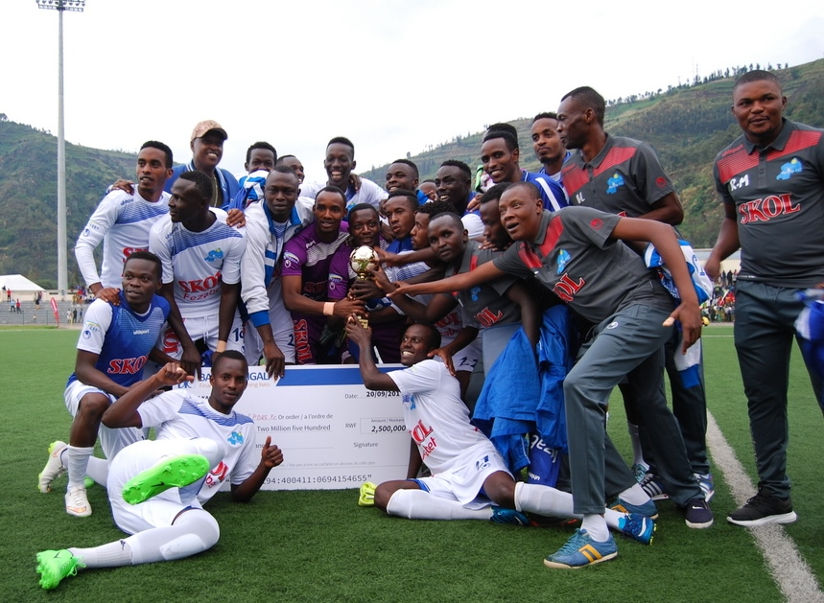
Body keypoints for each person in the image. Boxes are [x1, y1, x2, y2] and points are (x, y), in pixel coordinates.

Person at [394, 182, 711, 567]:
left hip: (643, 306)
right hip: (609, 323)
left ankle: (596, 531)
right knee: (635, 402)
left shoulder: (570, 221)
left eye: (517, 206)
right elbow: (462, 281)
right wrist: (402, 287)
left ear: (539, 206)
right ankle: (644, 496)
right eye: (503, 211)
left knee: (578, 387)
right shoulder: (522, 255)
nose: (509, 215)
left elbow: (659, 230)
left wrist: (690, 300)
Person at [348, 321, 654, 558]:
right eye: (405, 339)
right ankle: (493, 515)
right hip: (444, 475)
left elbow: (371, 380)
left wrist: (363, 341)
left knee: (505, 491)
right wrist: (409, 479)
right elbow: (417, 437)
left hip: (472, 456)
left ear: (430, 349)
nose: (406, 344)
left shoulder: (430, 369)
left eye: (415, 340)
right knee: (386, 494)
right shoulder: (411, 387)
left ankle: (613, 518)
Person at [556, 85, 713, 502]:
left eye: (564, 118)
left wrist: (619, 226)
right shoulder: (570, 172)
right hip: (619, 289)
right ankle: (660, 473)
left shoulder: (634, 152)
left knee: (683, 379)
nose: (559, 127)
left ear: (588, 115)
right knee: (644, 392)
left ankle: (698, 470)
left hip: (660, 279)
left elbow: (673, 212)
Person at [35, 352, 284, 591]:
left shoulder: (245, 427)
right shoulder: (180, 400)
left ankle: (74, 557)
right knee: (211, 449)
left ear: (246, 384)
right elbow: (111, 419)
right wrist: (155, 381)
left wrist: (264, 467)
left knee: (207, 530)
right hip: (137, 463)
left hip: (147, 504)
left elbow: (239, 493)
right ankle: (161, 474)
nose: (232, 385)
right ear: (211, 380)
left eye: (240, 380)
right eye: (225, 377)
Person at [704, 69, 824, 527]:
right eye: (746, 103)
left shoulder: (815, 143)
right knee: (763, 397)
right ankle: (775, 495)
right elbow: (735, 218)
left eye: (766, 99)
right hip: (753, 292)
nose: (757, 109)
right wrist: (714, 257)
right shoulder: (727, 162)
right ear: (734, 110)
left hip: (814, 292)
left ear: (783, 101)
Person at [37, 252, 173, 517]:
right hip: (90, 387)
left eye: (144, 278)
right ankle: (75, 487)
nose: (134, 283)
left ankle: (64, 456)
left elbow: (141, 346)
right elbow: (83, 369)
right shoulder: (105, 307)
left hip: (126, 395)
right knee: (94, 403)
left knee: (126, 474)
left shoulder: (161, 308)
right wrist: (127, 393)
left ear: (158, 284)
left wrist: (172, 361)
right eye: (129, 276)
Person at [149, 171, 247, 364]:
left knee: (232, 369)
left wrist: (221, 346)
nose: (171, 202)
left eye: (179, 198)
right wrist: (188, 346)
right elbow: (165, 293)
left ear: (202, 203)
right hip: (179, 312)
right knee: (175, 379)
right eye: (172, 195)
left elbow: (229, 292)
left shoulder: (232, 231)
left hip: (218, 312)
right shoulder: (161, 234)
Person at [75, 141, 174, 298]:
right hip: (116, 299)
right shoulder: (118, 199)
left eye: (154, 165)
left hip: (152, 303)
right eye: (141, 164)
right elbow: (84, 245)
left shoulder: (172, 206)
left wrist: (228, 215)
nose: (146, 170)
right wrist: (97, 289)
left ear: (169, 173)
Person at [241, 166, 313, 376]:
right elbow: (252, 287)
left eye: (287, 191)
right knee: (243, 369)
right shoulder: (254, 224)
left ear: (297, 194)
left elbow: (332, 216)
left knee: (286, 363)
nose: (280, 197)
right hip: (242, 300)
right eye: (273, 190)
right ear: (264, 190)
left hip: (275, 294)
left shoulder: (305, 211)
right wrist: (268, 343)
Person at [281, 187, 364, 363]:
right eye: (321, 208)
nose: (327, 215)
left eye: (334, 209)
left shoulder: (351, 232)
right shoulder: (298, 246)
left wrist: (384, 228)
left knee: (351, 365)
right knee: (308, 369)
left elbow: (374, 231)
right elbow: (290, 299)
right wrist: (332, 308)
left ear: (344, 212)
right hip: (308, 313)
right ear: (314, 210)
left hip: (344, 310)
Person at [300, 137, 387, 212]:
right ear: (324, 163)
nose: (336, 164)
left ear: (353, 165)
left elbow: (389, 202)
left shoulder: (363, 188)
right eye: (331, 159)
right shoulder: (311, 191)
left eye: (343, 159)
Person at [530, 112, 572, 187]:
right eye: (536, 138)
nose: (540, 142)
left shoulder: (582, 170)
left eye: (548, 135)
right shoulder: (536, 186)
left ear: (563, 137)